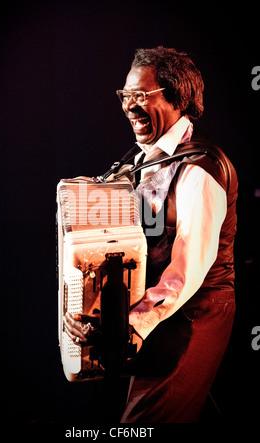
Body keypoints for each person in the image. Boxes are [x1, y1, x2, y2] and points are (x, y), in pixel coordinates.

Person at [64, 46, 238, 423]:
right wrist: (88, 312)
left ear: (177, 97)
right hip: (152, 316)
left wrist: (132, 324)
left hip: (193, 315)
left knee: (144, 422)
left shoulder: (201, 169)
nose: (129, 106)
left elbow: (185, 272)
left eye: (141, 95)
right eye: (125, 96)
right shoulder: (138, 162)